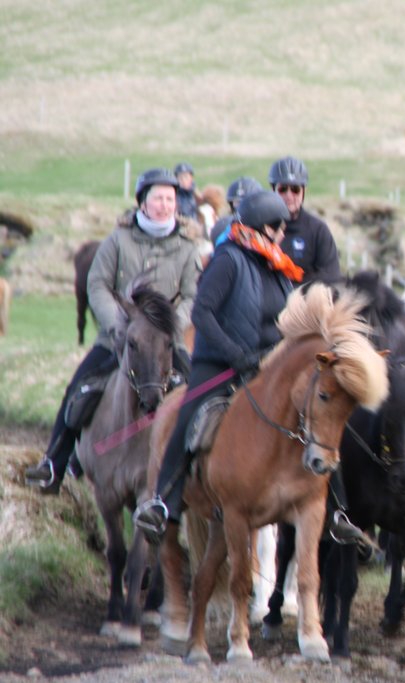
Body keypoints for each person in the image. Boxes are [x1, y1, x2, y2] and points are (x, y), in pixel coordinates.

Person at [133, 190, 302, 543]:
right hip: (219, 363)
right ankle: (163, 503)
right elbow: (202, 313)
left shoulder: (279, 267)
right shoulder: (229, 259)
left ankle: (336, 509)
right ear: (263, 227)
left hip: (267, 364)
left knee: (315, 408)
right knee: (188, 414)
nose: (283, 232)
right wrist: (235, 354)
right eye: (278, 226)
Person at [24, 169, 202, 494]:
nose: (164, 205)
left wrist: (170, 327)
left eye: (170, 199)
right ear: (142, 202)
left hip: (165, 344)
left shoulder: (187, 248)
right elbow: (97, 284)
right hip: (117, 340)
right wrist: (118, 325)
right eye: (158, 198)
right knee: (77, 390)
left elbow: (192, 295)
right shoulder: (118, 240)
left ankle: (196, 479)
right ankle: (53, 465)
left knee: (197, 398)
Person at [268, 156, 342, 285]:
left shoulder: (318, 230)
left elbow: (332, 276)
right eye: (282, 189)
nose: (289, 196)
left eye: (295, 189)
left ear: (304, 191)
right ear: (273, 190)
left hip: (306, 296)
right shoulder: (261, 227)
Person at [209, 176, 263, 245]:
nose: (241, 206)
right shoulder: (225, 227)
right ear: (231, 204)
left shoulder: (267, 227)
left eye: (245, 202)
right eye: (237, 202)